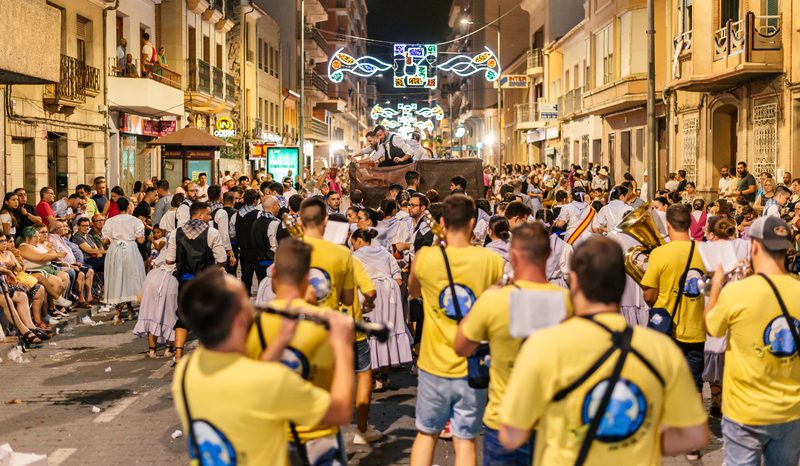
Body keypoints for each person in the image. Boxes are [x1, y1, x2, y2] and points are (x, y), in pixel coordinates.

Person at [498, 237, 709, 464]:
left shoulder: (543, 345)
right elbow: (694, 435)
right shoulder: (660, 348)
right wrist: (641, 441)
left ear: (575, 282)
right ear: (622, 284)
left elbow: (511, 435)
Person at [172, 267, 354, 466]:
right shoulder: (272, 380)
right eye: (246, 303)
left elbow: (250, 386)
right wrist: (342, 345)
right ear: (240, 319)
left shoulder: (186, 369)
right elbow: (340, 411)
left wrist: (280, 341)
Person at [456, 222, 572, 465]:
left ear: (513, 254)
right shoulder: (566, 301)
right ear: (548, 253)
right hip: (551, 421)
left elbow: (462, 347)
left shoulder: (494, 299)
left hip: (504, 420)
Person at [408, 194, 505, 465]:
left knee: (426, 434)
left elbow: (413, 292)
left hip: (432, 362)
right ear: (473, 223)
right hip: (472, 364)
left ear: (441, 221)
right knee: (465, 439)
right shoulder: (490, 260)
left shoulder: (425, 257)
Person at [246, 238, 354, 464]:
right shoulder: (326, 325)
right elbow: (342, 402)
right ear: (308, 279)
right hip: (320, 438)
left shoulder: (251, 324)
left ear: (274, 274)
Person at [705, 215, 800, 465]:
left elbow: (711, 327)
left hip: (745, 410)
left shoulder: (737, 292)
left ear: (754, 246)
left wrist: (716, 286)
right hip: (791, 410)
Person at [641, 204, 707, 461]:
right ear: (691, 225)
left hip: (665, 329)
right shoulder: (704, 251)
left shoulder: (659, 254)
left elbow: (649, 295)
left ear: (668, 225)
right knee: (694, 384)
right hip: (696, 328)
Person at [166, 201, 227, 363]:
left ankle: (178, 354)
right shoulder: (212, 233)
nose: (210, 216)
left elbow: (169, 259)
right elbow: (222, 258)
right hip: (205, 281)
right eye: (208, 214)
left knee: (183, 316)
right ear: (200, 215)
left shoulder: (176, 233)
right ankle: (202, 353)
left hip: (184, 282)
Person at [352, 228, 412, 388]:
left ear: (358, 241)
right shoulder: (384, 252)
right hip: (390, 292)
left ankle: (375, 376)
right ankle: (385, 376)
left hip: (369, 293)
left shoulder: (355, 256)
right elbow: (398, 279)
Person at [299, 197, 355, 311]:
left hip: (299, 321)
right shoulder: (343, 253)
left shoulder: (288, 248)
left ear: (300, 220)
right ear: (326, 221)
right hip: (328, 321)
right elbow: (348, 299)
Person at [102, 197, 146, 322]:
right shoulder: (135, 221)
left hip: (115, 251)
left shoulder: (110, 221)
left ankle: (129, 309)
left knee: (119, 280)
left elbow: (105, 240)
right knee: (130, 279)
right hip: (130, 250)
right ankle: (118, 313)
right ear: (128, 207)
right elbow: (140, 240)